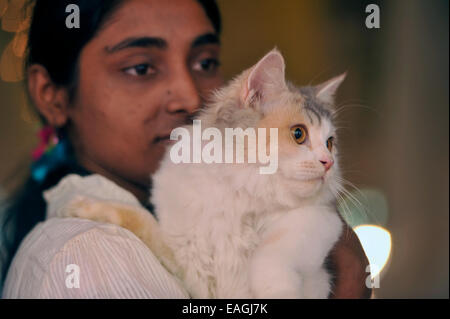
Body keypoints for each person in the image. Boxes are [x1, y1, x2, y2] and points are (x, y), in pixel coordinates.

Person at [1, 0, 371, 298]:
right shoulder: (89, 255)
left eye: (205, 62)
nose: (190, 96)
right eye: (141, 67)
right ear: (53, 96)